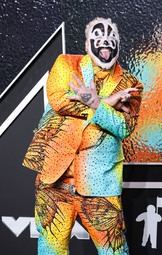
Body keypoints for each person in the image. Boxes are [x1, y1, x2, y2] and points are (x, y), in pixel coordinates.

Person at [23, 17, 143, 255]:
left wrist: (96, 103)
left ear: (119, 43)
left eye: (111, 39)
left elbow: (124, 127)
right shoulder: (66, 64)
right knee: (51, 251)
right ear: (87, 45)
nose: (105, 43)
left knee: (114, 251)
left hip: (100, 185)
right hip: (54, 182)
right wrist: (105, 104)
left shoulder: (131, 84)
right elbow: (59, 102)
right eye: (98, 39)